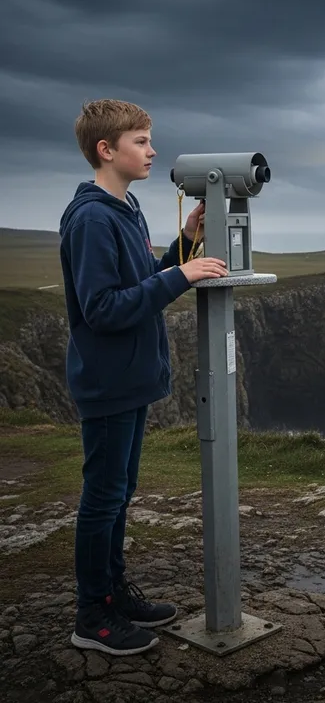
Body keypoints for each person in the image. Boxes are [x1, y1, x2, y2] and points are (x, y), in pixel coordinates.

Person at [59, 99, 228, 656]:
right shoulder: (91, 219)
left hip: (130, 378)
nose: (153, 151)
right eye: (141, 142)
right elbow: (104, 308)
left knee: (119, 491)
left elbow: (142, 281)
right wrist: (182, 275)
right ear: (107, 150)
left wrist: (184, 242)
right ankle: (92, 615)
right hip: (108, 381)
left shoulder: (126, 209)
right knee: (103, 497)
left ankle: (113, 595)